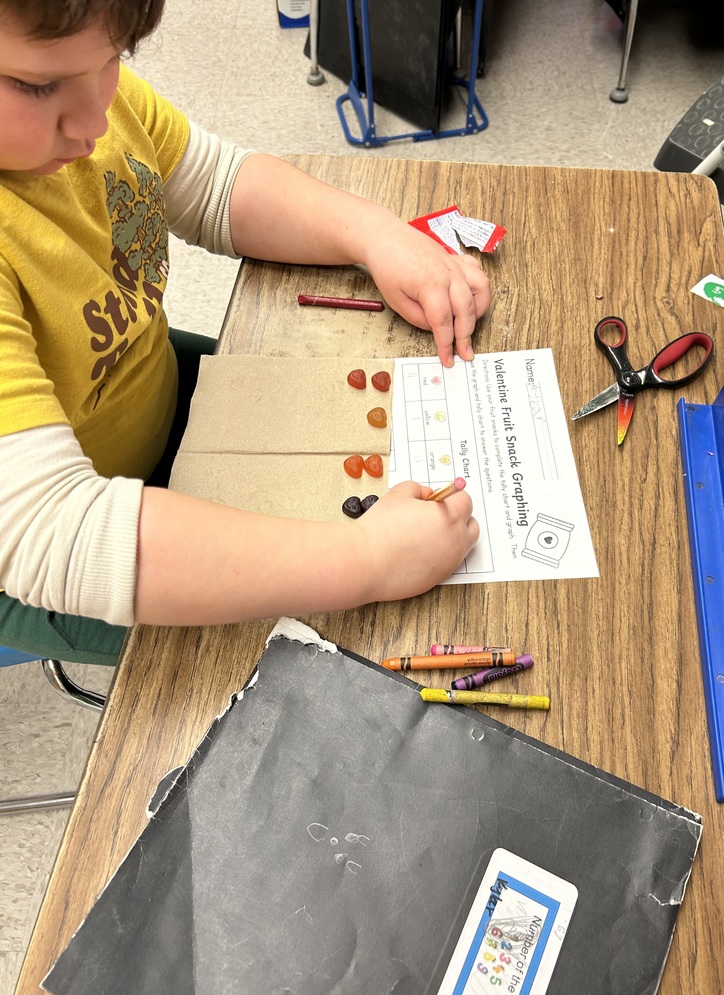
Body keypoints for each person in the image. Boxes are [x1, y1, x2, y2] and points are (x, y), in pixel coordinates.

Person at [0, 0, 487, 666]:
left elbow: (213, 186)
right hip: (52, 561)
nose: (93, 120)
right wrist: (366, 560)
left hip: (138, 389)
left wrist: (374, 235)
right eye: (35, 86)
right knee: (322, 658)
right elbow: (54, 534)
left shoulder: (86, 92)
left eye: (114, 59)